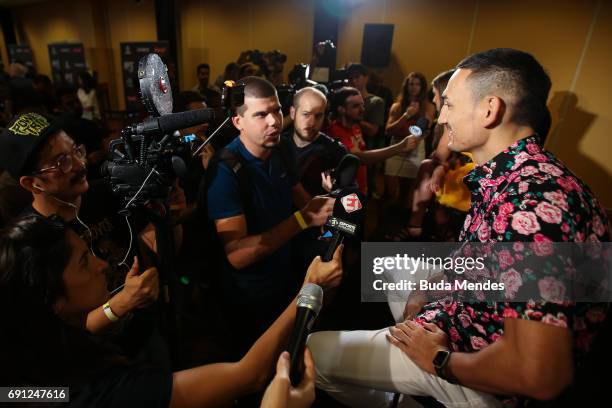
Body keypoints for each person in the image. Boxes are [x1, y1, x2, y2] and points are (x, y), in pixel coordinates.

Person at [307, 48, 611, 407]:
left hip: (481, 365)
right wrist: (427, 289)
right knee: (387, 266)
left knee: (313, 354)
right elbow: (480, 259)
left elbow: (540, 375)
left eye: (448, 105)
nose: (440, 119)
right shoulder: (513, 174)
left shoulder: (534, 204)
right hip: (470, 315)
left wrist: (439, 360)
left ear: (489, 110)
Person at [0, 214, 343, 407]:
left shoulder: (28, 371)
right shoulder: (115, 395)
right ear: (52, 300)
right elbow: (248, 374)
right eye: (84, 262)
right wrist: (309, 289)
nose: (103, 265)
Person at [0, 112, 183, 335]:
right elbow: (56, 336)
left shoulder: (109, 193)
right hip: (102, 361)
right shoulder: (30, 242)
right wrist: (119, 305)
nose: (80, 164)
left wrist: (169, 218)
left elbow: (161, 247)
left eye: (76, 151)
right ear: (31, 183)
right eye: (62, 162)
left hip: (150, 333)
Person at [204, 76, 335, 354]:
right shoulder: (225, 170)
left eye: (276, 110)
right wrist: (302, 220)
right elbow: (237, 255)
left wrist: (329, 220)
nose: (274, 121)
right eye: (261, 114)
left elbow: (299, 196)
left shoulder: (281, 148)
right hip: (248, 295)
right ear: (239, 122)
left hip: (285, 278)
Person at [327, 86, 418, 195]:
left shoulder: (355, 126)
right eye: (356, 106)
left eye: (362, 105)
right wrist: (400, 147)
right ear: (341, 109)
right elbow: (360, 157)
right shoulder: (335, 131)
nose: (362, 110)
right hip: (345, 192)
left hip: (358, 189)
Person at [384, 72, 436, 208]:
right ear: (406, 86)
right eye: (411, 84)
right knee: (391, 192)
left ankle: (402, 225)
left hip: (415, 149)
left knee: (409, 194)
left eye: (417, 84)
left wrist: (408, 130)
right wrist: (406, 115)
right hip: (395, 147)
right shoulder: (397, 106)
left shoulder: (429, 107)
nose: (414, 87)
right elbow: (388, 130)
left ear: (422, 87)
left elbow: (421, 131)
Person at [346, 63, 386, 197]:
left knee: (360, 193)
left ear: (366, 78)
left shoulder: (375, 101)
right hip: (347, 150)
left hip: (366, 152)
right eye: (350, 78)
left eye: (357, 77)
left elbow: (373, 130)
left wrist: (352, 116)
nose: (353, 81)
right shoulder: (344, 99)